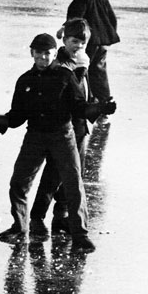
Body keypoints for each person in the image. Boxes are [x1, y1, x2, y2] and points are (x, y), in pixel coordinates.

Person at [0, 33, 95, 252]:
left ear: (54, 53)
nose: (43, 57)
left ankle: (80, 236)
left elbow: (79, 108)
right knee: (18, 183)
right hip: (35, 136)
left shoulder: (65, 77)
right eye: (38, 53)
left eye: (47, 53)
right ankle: (19, 227)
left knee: (73, 185)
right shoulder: (25, 81)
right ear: (32, 53)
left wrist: (99, 108)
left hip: (62, 136)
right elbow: (16, 118)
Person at [31, 18, 113, 239]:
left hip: (79, 126)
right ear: (64, 40)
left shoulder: (82, 60)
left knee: (75, 174)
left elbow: (84, 91)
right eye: (74, 41)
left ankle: (61, 216)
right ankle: (37, 217)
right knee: (54, 174)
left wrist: (97, 105)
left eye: (82, 43)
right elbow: (66, 97)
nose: (78, 46)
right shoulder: (59, 64)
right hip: (62, 127)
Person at [66, 0, 119, 108]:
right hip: (102, 43)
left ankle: (82, 102)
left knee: (81, 70)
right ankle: (105, 102)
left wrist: (66, 33)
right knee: (99, 72)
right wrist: (106, 38)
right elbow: (113, 20)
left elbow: (76, 21)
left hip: (87, 42)